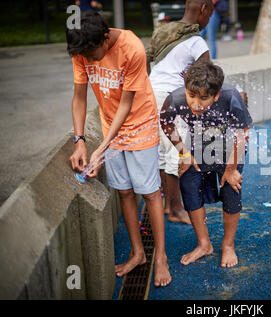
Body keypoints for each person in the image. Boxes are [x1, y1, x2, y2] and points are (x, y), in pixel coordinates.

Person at [66, 11, 171, 286]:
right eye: (83, 57)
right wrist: (80, 141)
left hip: (140, 124)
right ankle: (138, 253)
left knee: (149, 193)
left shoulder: (132, 48)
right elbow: (79, 97)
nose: (87, 61)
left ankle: (160, 256)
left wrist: (101, 148)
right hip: (109, 126)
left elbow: (126, 104)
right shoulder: (82, 47)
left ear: (104, 38)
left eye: (91, 54)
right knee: (123, 192)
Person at [160, 60, 252, 267]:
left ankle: (228, 245)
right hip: (200, 145)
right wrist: (184, 153)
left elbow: (242, 134)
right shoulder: (175, 99)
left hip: (231, 148)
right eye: (191, 96)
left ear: (216, 95)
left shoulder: (230, 97)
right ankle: (204, 244)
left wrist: (231, 170)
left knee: (231, 188)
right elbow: (165, 122)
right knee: (188, 183)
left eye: (204, 98)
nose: (196, 104)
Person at [147, 0, 214, 225]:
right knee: (177, 154)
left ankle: (170, 205)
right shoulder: (196, 41)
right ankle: (175, 209)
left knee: (164, 154)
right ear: (204, 9)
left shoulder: (164, 31)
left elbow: (148, 61)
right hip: (169, 98)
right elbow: (208, 79)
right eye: (210, 15)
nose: (208, 20)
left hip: (149, 95)